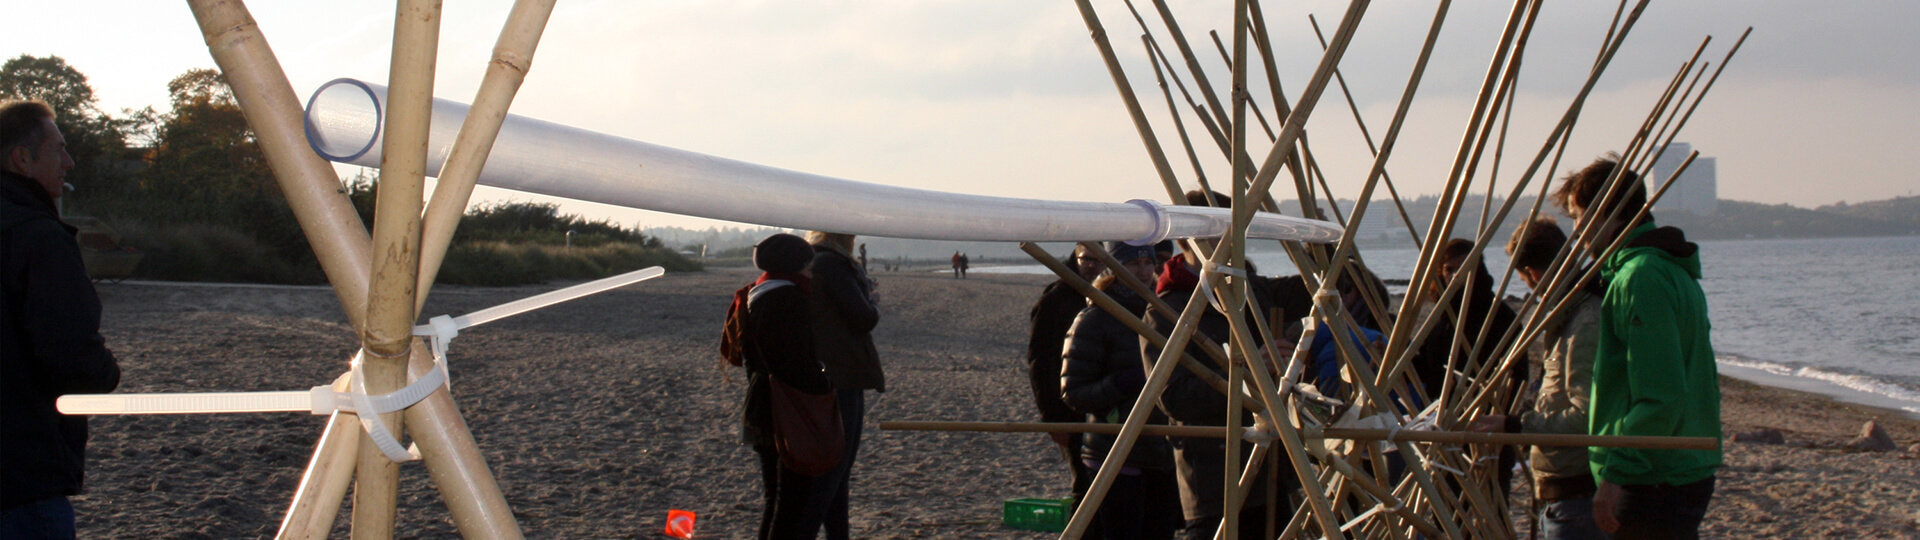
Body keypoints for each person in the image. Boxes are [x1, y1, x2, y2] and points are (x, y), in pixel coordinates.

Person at [1557, 157, 1719, 538]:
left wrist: (1616, 475)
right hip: (1674, 466)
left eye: (1578, 215)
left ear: (1606, 212)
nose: (1577, 230)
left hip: (1654, 475)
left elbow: (1661, 394)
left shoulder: (1641, 277)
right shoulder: (1667, 269)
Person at [2, 100, 123, 539]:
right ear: (22, 158)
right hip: (21, 475)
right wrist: (108, 371)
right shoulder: (36, 236)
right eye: (60, 150)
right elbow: (70, 356)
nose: (69, 162)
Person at [1146, 190, 1286, 540]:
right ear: (1184, 238)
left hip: (1270, 470)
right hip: (1213, 480)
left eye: (1236, 230)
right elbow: (1173, 398)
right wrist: (1244, 373)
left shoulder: (1250, 291)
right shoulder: (1166, 310)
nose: (1230, 240)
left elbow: (1328, 284)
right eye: (1219, 230)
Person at [1469, 216, 1608, 540]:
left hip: (1579, 494)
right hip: (1564, 493)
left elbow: (1587, 415)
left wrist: (1517, 426)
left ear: (1533, 273)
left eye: (1525, 278)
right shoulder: (1569, 316)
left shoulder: (1585, 321)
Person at [1060, 242, 1180, 540]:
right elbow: (1073, 392)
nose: (1142, 271)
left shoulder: (1166, 312)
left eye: (1147, 263)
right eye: (1132, 263)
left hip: (1162, 449)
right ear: (1114, 267)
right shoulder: (1095, 318)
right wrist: (1124, 382)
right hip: (1113, 449)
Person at [736, 234, 833, 540]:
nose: (811, 271)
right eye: (808, 265)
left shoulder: (758, 292)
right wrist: (823, 384)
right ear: (795, 265)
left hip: (760, 402)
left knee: (775, 499)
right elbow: (793, 362)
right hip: (784, 410)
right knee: (790, 503)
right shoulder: (787, 298)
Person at [803, 231, 883, 540]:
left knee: (834, 472)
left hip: (827, 372)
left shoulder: (813, 260)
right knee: (835, 471)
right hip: (842, 373)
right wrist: (873, 302)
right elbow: (862, 317)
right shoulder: (832, 264)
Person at [1026, 244, 1104, 518]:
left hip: (1106, 406)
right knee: (1084, 488)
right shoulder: (1056, 299)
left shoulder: (1111, 295)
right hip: (1069, 408)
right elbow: (1040, 361)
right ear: (1076, 259)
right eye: (1087, 259)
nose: (1093, 266)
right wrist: (1051, 416)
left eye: (1099, 260)